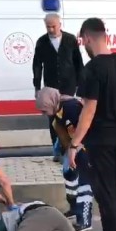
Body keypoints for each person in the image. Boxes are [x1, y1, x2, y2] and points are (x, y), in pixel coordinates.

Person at [68, 18, 116, 231]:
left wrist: (74, 144)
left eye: (82, 40)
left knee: (106, 194)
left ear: (87, 37)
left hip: (101, 140)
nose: (83, 44)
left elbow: (89, 110)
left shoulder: (92, 69)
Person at [35, 87, 94, 231]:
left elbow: (85, 127)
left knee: (84, 183)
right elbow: (62, 133)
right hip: (72, 148)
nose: (43, 114)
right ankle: (74, 208)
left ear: (51, 102)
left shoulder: (71, 107)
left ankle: (84, 221)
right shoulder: (56, 111)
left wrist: (78, 149)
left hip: (86, 147)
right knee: (69, 175)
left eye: (44, 110)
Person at [33, 13, 85, 148]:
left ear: (60, 25)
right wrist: (37, 87)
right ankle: (56, 148)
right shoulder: (42, 42)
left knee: (70, 116)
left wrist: (81, 85)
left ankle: (72, 146)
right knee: (53, 119)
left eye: (53, 26)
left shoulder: (70, 39)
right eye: (48, 27)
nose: (51, 29)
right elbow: (37, 65)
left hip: (69, 86)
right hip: (51, 87)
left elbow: (78, 63)